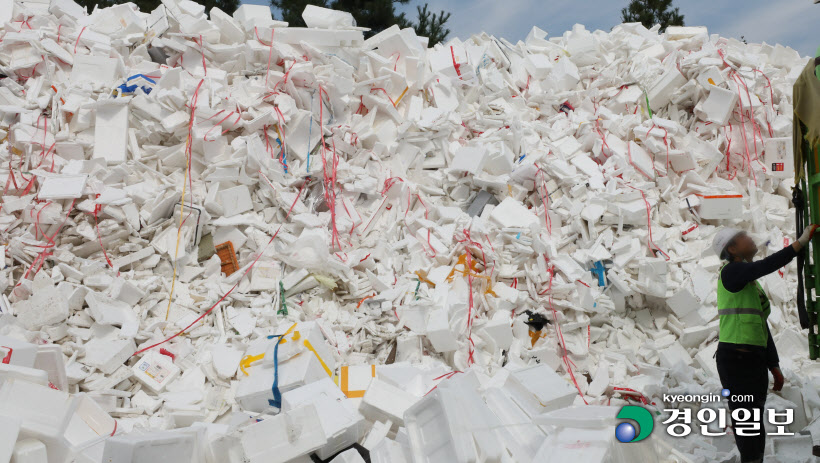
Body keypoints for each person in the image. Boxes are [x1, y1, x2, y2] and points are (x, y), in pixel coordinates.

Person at [711, 225, 818, 463]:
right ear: (732, 249)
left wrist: (774, 365)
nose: (750, 238)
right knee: (747, 419)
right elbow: (763, 266)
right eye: (743, 237)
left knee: (753, 418)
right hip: (736, 360)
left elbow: (761, 325)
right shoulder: (731, 273)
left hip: (752, 360)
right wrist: (798, 244)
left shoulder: (749, 283)